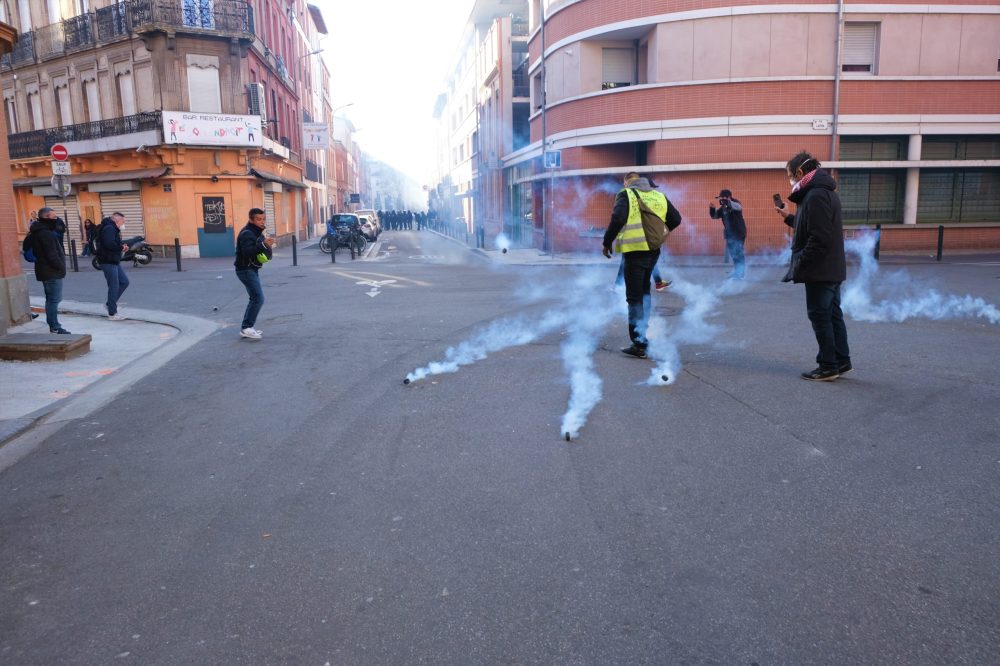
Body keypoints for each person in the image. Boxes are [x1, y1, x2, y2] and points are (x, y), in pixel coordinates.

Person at [776, 151, 851, 381]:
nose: (791, 180)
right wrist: (789, 217)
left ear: (800, 172)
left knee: (820, 315)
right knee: (832, 314)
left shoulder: (816, 195)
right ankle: (841, 360)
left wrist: (801, 261)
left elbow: (819, 238)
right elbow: (811, 225)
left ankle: (828, 365)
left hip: (821, 270)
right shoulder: (821, 193)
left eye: (791, 175)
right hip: (830, 268)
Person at [603, 172, 682, 358]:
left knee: (634, 298)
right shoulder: (659, 195)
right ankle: (642, 334)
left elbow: (618, 219)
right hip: (653, 251)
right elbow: (676, 219)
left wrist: (607, 242)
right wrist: (660, 233)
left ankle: (639, 343)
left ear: (627, 182)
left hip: (634, 251)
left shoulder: (626, 194)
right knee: (644, 294)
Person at [24, 207, 70, 334]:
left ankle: (53, 325)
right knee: (53, 300)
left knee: (51, 299)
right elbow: (51, 254)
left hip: (45, 270)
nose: (56, 219)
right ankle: (54, 326)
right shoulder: (45, 233)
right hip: (51, 272)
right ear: (46, 217)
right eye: (54, 217)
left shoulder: (38, 231)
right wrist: (60, 266)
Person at [234, 207, 275, 340]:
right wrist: (263, 245)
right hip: (245, 269)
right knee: (258, 298)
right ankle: (247, 327)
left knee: (254, 298)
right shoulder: (247, 233)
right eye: (258, 219)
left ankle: (247, 327)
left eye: (263, 219)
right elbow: (247, 252)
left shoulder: (258, 234)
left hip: (251, 269)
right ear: (251, 220)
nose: (262, 222)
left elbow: (264, 253)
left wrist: (267, 247)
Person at [96, 212, 130, 320]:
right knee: (114, 286)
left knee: (124, 282)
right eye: (122, 222)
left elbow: (111, 243)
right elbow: (109, 244)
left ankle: (109, 304)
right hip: (108, 260)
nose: (123, 224)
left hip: (113, 260)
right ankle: (112, 313)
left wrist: (120, 246)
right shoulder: (109, 228)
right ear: (117, 220)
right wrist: (121, 248)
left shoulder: (111, 228)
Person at [709, 189, 747, 279]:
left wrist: (728, 202)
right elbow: (714, 216)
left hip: (738, 233)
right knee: (734, 254)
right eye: (720, 198)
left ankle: (741, 274)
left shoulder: (735, 203)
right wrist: (712, 209)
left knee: (739, 253)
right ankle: (737, 271)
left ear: (729, 197)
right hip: (730, 235)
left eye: (723, 198)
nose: (721, 200)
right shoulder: (723, 208)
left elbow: (738, 207)